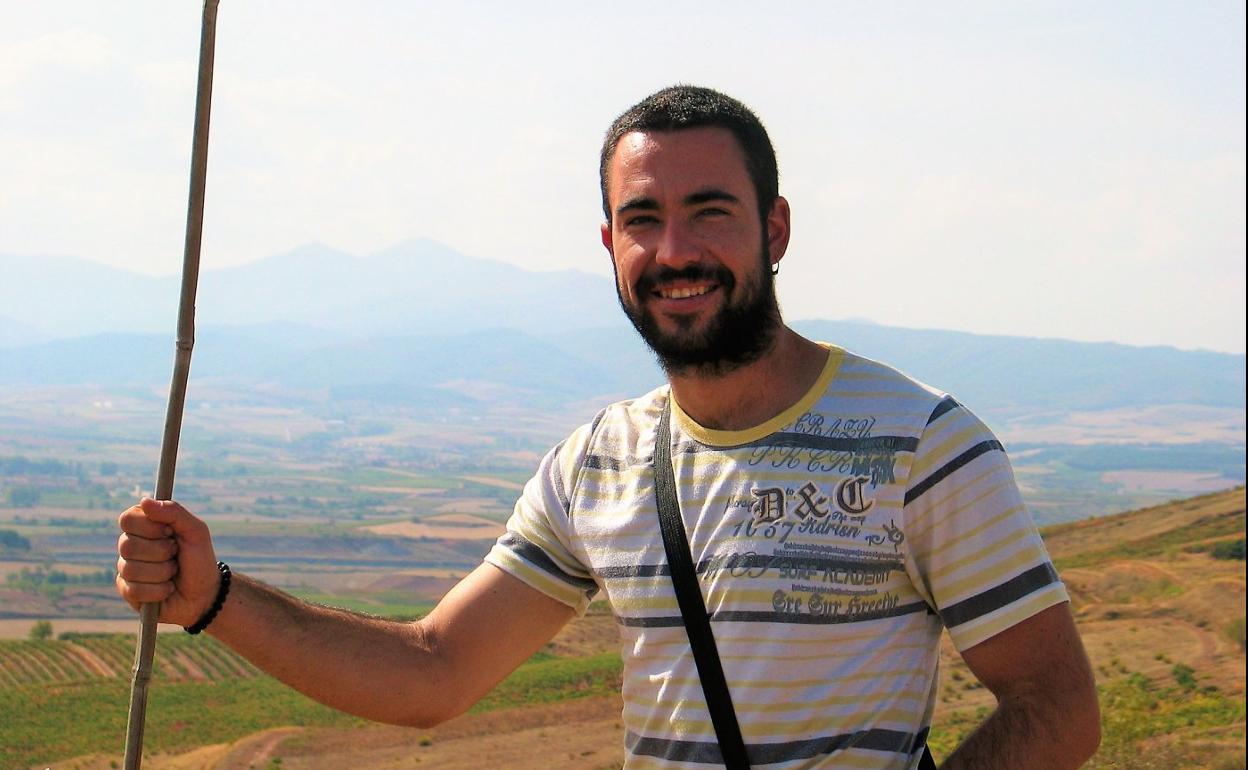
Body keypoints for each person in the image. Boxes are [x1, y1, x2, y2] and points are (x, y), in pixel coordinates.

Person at [116, 85, 1100, 769]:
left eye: (709, 211)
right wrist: (215, 595)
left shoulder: (921, 444)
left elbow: (1057, 705)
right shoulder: (598, 462)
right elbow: (432, 670)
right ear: (609, 244)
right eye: (643, 218)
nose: (675, 250)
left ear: (776, 229)